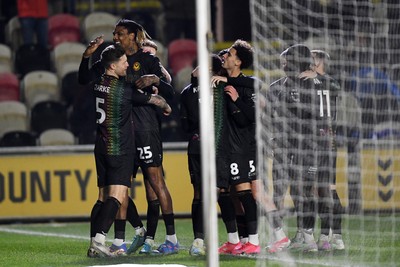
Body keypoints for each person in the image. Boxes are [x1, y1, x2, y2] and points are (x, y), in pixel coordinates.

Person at [78, 19, 178, 256]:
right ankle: (119, 240)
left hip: (143, 129)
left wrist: (156, 80)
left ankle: (170, 238)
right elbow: (86, 79)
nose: (116, 37)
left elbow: (169, 90)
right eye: (114, 33)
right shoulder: (112, 59)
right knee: (120, 190)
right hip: (122, 134)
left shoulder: (147, 59)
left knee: (154, 183)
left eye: (120, 33)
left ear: (133, 36)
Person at [212, 46, 290, 254]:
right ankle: (249, 239)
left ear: (238, 62)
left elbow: (252, 115)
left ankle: (269, 238)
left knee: (253, 192)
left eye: (229, 54)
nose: (225, 56)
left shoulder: (248, 85)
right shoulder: (224, 83)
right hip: (233, 146)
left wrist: (235, 96)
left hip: (248, 146)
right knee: (242, 193)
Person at [268, 44, 323, 253]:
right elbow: (268, 116)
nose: (283, 65)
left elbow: (316, 113)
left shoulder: (312, 83)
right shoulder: (275, 87)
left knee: (303, 190)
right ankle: (279, 236)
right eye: (282, 62)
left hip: (306, 145)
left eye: (286, 61)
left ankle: (306, 235)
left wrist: (316, 77)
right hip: (282, 146)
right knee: (280, 190)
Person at [179, 55, 225, 256]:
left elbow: (186, 126)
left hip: (196, 145)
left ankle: (198, 241)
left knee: (199, 194)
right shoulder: (222, 87)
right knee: (223, 192)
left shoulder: (187, 92)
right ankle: (238, 238)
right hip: (219, 145)